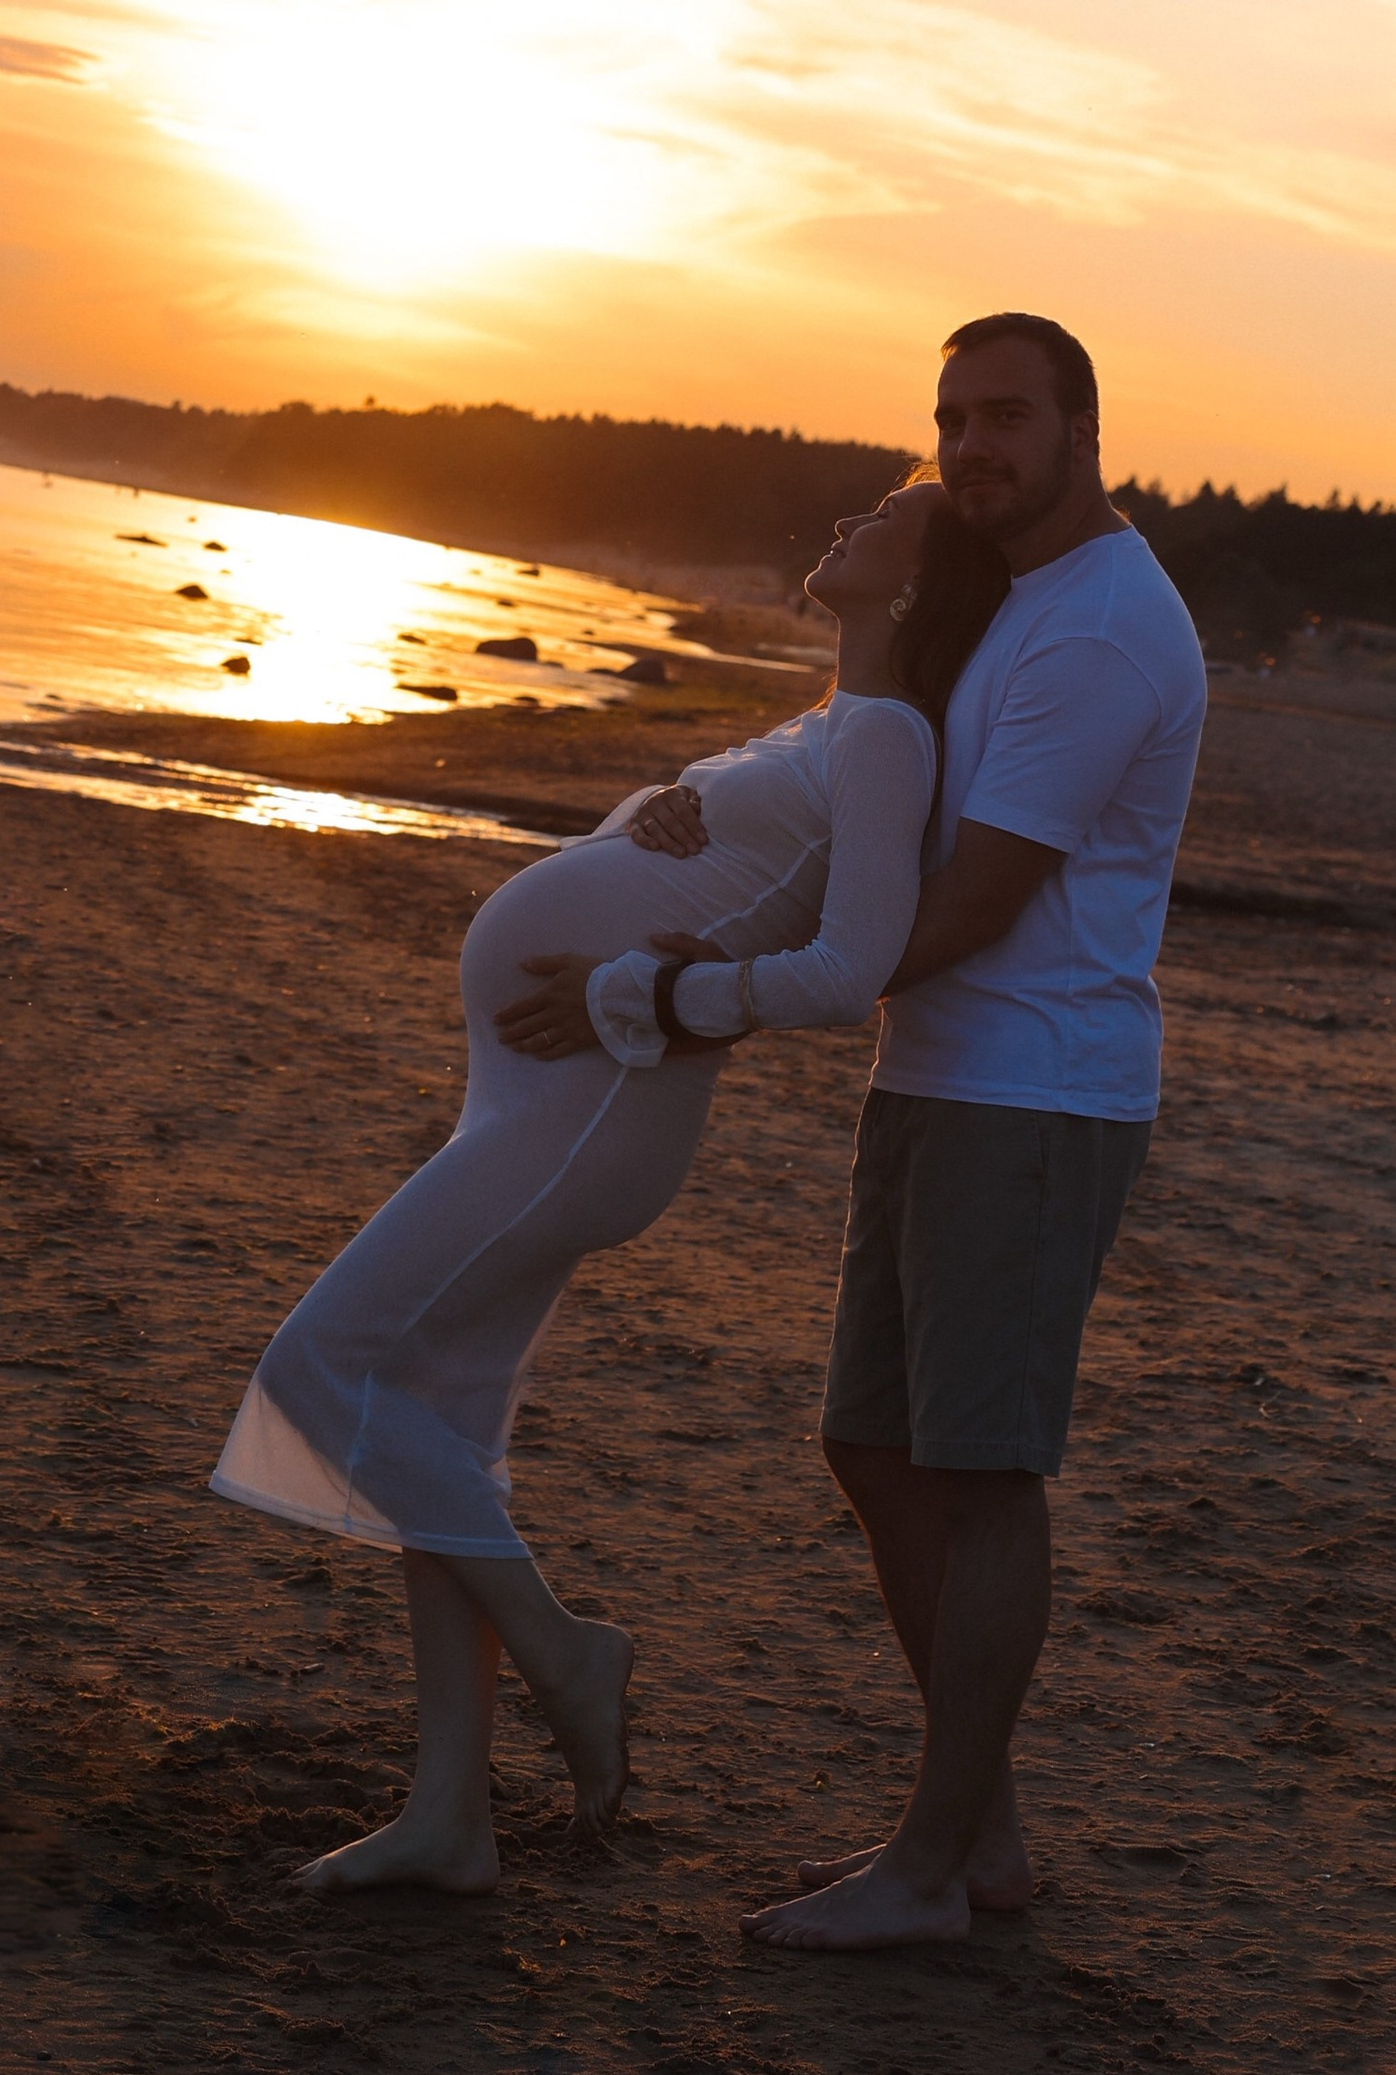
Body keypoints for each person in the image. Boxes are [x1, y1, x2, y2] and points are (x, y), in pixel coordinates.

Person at [207, 472, 1010, 1890]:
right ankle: (450, 1812)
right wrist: (656, 822)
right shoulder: (835, 720)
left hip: (596, 1104)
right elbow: (745, 879)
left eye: (883, 520)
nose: (843, 526)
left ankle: (567, 1651)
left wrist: (632, 982)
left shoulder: (888, 736)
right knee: (434, 1418)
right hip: (540, 1093)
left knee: (324, 1363)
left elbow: (846, 971)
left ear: (917, 582)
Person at [610, 314, 1207, 1952]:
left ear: (1087, 424)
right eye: (950, 418)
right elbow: (874, 811)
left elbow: (966, 901)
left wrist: (728, 985)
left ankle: (937, 1865)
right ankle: (983, 1826)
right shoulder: (1007, 602)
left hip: (1034, 1092)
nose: (970, 449)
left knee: (984, 1471)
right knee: (873, 1448)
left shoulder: (1098, 632)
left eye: (1006, 415)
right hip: (940, 1080)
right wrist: (699, 856)